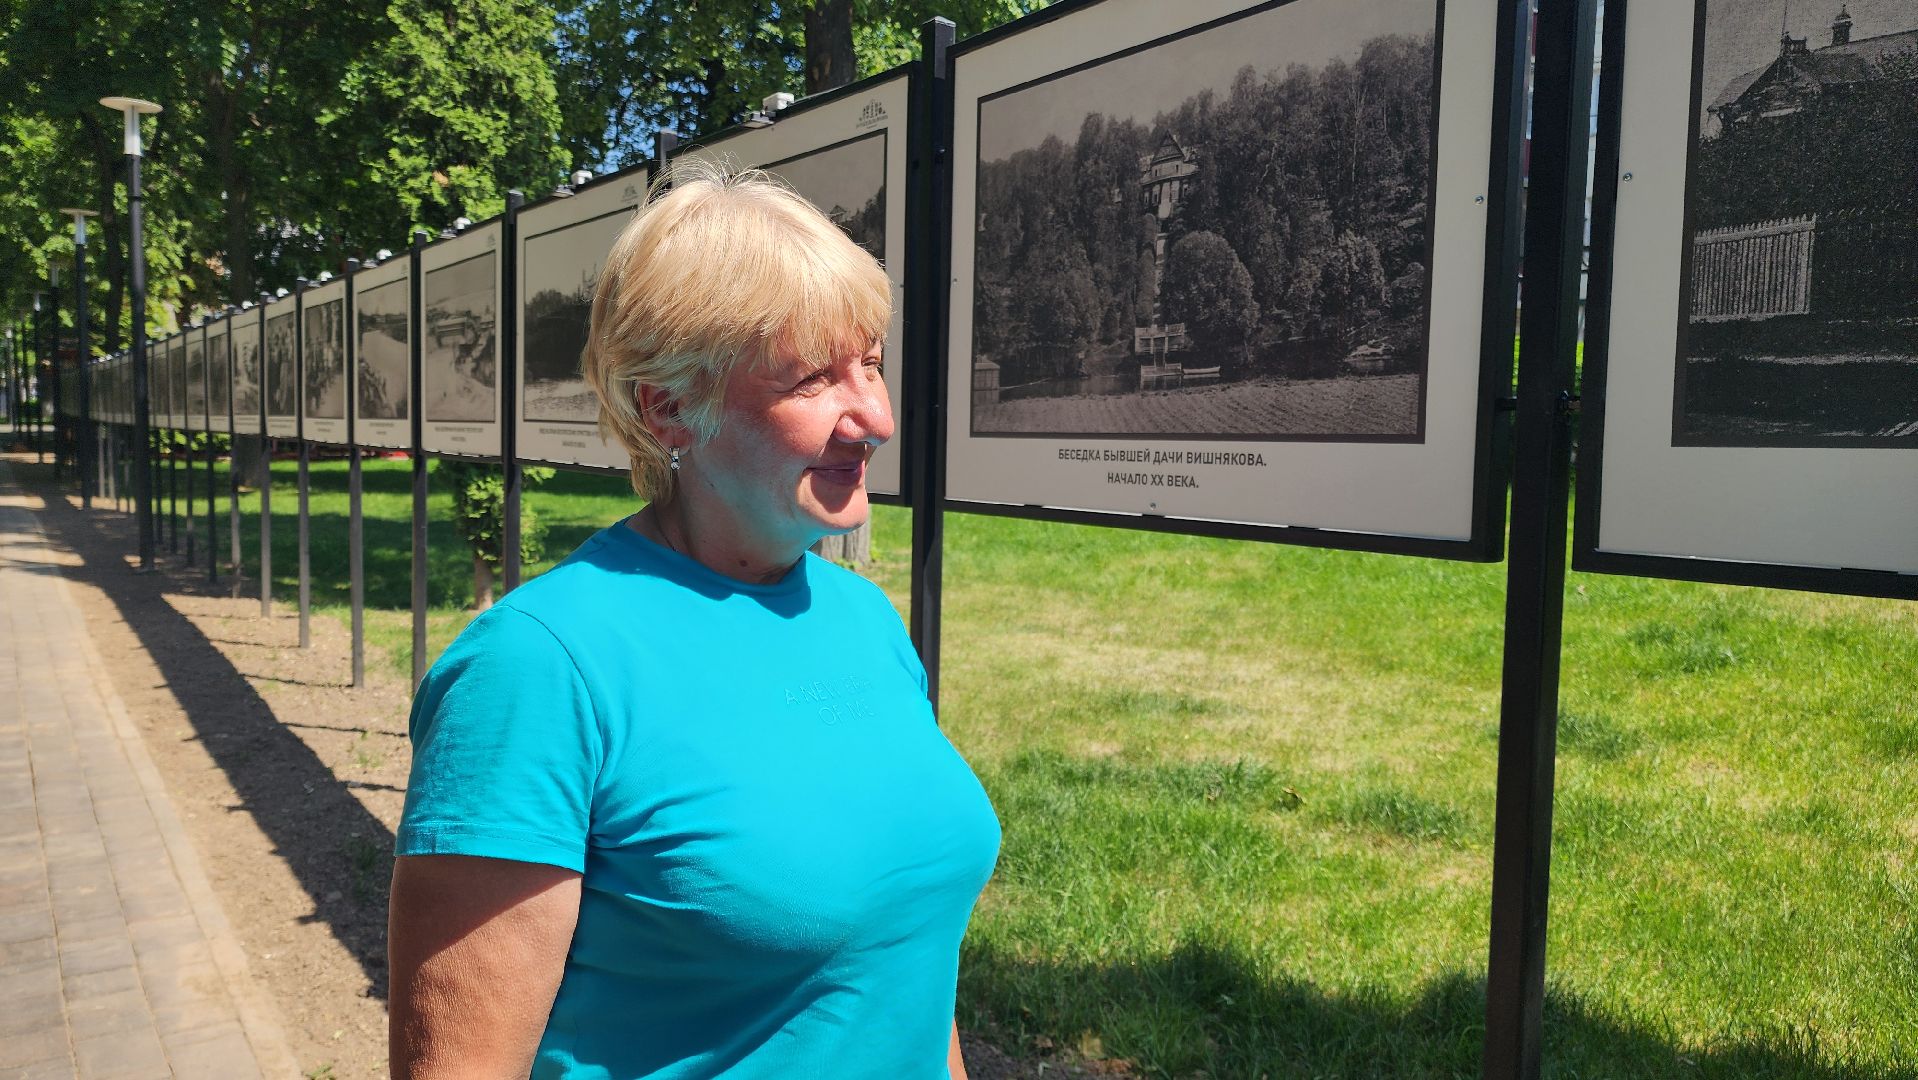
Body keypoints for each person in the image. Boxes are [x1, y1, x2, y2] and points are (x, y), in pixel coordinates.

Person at [387, 159, 1002, 1079]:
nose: (872, 415)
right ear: (668, 407)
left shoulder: (861, 618)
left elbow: (901, 971)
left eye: (870, 364)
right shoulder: (541, 667)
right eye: (811, 380)